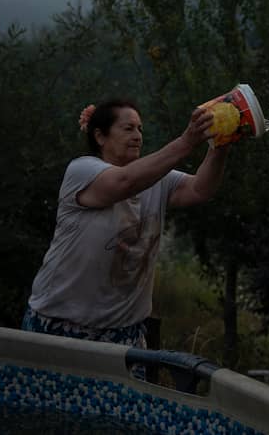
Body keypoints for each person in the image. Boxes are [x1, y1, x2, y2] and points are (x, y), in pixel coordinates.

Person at [22, 98, 226, 372]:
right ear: (100, 136)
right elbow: (124, 182)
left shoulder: (156, 179)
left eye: (140, 129)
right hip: (60, 328)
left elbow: (200, 189)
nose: (137, 136)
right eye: (128, 128)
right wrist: (187, 141)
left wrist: (219, 145)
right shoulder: (82, 171)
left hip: (125, 335)